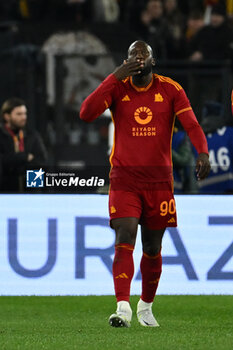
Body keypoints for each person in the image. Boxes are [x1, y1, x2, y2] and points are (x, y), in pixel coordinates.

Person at [80, 40, 210, 328]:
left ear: (153, 61)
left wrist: (202, 151)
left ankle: (146, 307)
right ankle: (122, 308)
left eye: (143, 55)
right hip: (124, 179)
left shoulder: (171, 89)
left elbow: (192, 125)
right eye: (132, 56)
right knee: (124, 235)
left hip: (159, 182)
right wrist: (115, 75)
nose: (138, 59)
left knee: (152, 247)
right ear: (126, 61)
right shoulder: (118, 87)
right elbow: (86, 113)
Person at [0, 97, 47, 192]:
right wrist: (24, 157)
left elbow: (40, 161)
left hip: (30, 193)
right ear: (7, 116)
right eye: (19, 114)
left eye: (25, 113)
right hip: (5, 192)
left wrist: (35, 192)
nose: (24, 117)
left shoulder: (32, 135)